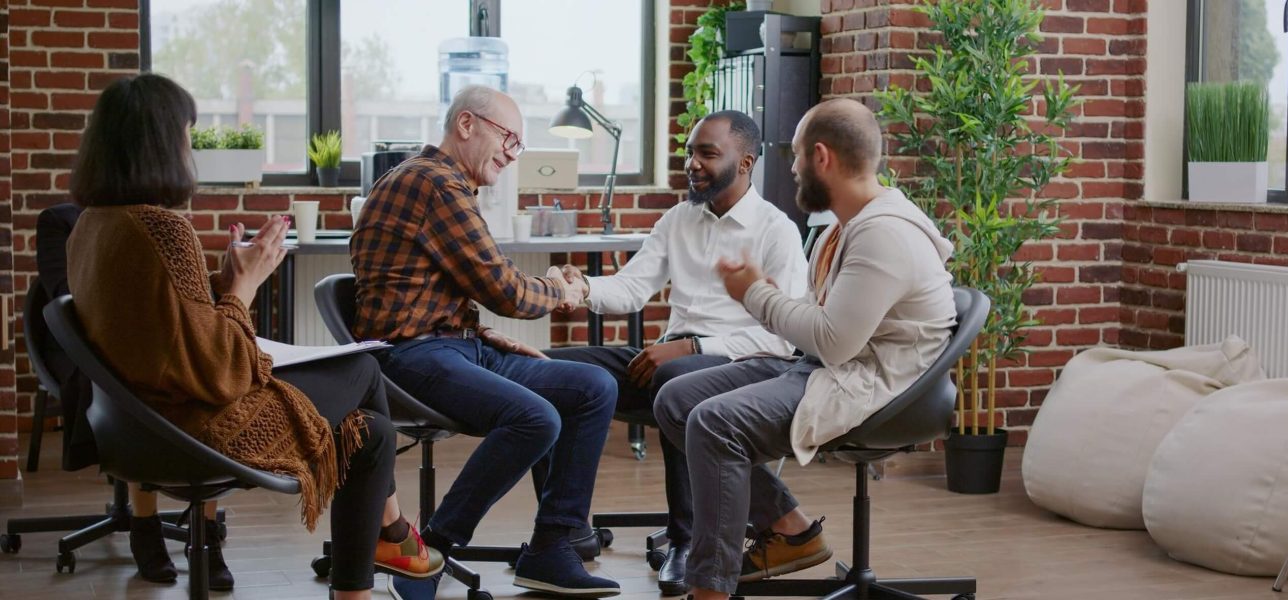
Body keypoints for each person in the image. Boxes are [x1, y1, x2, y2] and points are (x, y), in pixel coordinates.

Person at [64, 72, 442, 599]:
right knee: (363, 368)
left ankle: (362, 578)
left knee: (371, 433)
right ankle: (395, 533)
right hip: (197, 426)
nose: (189, 149)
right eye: (186, 135)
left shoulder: (91, 225)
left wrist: (219, 279)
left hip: (135, 429)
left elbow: (166, 319)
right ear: (160, 142)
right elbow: (221, 369)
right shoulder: (161, 229)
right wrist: (244, 285)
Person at [652, 98, 958, 599]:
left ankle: (709, 590)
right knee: (676, 399)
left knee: (713, 422)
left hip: (874, 385)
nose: (791, 168)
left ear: (821, 157)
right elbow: (821, 329)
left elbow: (833, 343)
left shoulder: (883, 234)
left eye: (795, 156)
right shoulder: (844, 226)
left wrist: (754, 292)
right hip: (824, 365)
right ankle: (790, 526)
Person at [350, 84, 620, 599]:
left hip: (453, 344)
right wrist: (562, 290)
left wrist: (483, 334)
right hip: (410, 356)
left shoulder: (439, 184)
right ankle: (427, 552)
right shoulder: (434, 184)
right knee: (537, 417)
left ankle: (552, 549)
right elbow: (505, 289)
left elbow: (455, 289)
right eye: (508, 138)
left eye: (519, 144)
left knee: (593, 386)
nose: (511, 154)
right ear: (466, 125)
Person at [545, 110, 808, 594]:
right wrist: (582, 289)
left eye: (708, 153)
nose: (693, 163)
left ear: (746, 162)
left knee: (676, 378)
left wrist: (692, 346)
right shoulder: (679, 219)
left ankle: (687, 539)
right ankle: (562, 534)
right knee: (555, 369)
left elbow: (781, 338)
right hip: (675, 357)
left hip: (745, 365)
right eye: (691, 152)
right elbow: (631, 288)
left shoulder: (777, 232)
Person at [37, 203, 240, 588]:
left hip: (154, 336)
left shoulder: (156, 223)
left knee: (200, 375)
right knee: (152, 376)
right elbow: (70, 294)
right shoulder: (69, 222)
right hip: (86, 347)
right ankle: (144, 525)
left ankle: (205, 530)